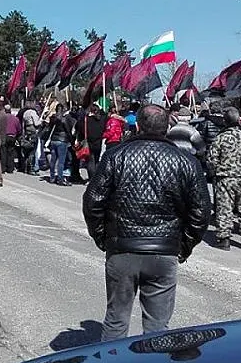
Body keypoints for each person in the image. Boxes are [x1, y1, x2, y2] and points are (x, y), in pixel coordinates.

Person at [83, 104, 210, 341]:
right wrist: (182, 246)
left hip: (127, 249)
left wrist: (105, 239)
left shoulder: (116, 155)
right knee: (156, 327)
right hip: (159, 251)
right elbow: (201, 212)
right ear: (167, 127)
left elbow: (93, 202)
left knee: (116, 320)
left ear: (138, 126)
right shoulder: (186, 161)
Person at [208, 107, 241, 250]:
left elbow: (212, 159)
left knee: (225, 208)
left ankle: (224, 239)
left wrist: (215, 172)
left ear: (225, 121)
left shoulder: (220, 137)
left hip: (225, 178)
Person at [47, 103, 75, 185]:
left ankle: (52, 177)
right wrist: (71, 141)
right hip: (62, 140)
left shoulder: (53, 118)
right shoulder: (64, 118)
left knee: (53, 159)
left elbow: (49, 127)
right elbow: (68, 130)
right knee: (61, 161)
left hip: (53, 140)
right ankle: (60, 179)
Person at [81, 104, 107, 179]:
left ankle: (92, 178)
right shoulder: (102, 119)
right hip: (99, 143)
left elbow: (82, 129)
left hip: (90, 143)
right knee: (96, 161)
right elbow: (105, 115)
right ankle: (96, 177)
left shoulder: (87, 120)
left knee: (90, 162)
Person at [3, 104, 21, 174]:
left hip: (5, 136)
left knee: (4, 152)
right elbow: (19, 129)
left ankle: (3, 168)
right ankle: (10, 168)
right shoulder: (15, 118)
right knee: (11, 153)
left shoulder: (3, 118)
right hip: (12, 136)